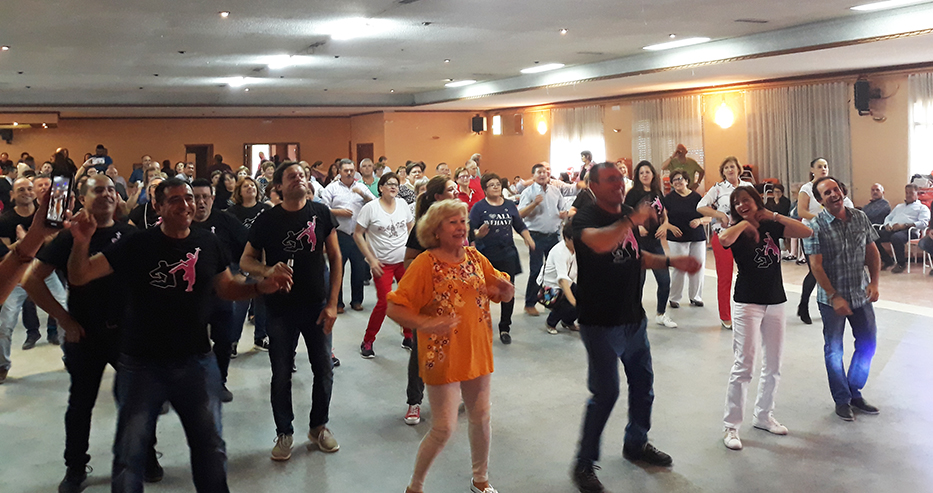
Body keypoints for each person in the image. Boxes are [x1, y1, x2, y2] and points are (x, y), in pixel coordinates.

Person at [67, 177, 290, 492]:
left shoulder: (208, 242)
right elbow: (80, 275)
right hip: (141, 363)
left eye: (189, 198)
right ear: (157, 206)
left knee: (210, 447)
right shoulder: (136, 243)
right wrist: (81, 242)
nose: (186, 205)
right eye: (175, 199)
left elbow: (226, 288)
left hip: (196, 360)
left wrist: (259, 287)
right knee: (129, 452)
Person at [23, 175, 163, 491]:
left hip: (127, 333)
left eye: (112, 189)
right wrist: (64, 320)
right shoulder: (69, 237)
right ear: (83, 199)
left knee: (137, 401)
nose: (107, 194)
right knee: (80, 404)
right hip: (85, 334)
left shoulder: (131, 235)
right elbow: (31, 280)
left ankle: (146, 455)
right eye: (98, 190)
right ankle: (75, 467)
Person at [570, 163, 701, 493]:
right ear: (593, 186)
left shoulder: (627, 214)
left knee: (643, 384)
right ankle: (584, 463)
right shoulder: (585, 218)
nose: (618, 184)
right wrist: (631, 220)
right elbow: (601, 243)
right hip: (601, 322)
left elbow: (635, 255)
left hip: (633, 319)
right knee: (606, 393)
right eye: (610, 180)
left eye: (620, 179)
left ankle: (636, 443)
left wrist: (671, 261)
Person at [386, 199, 513, 493]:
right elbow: (395, 307)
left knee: (481, 418)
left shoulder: (475, 258)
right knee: (444, 428)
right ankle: (415, 486)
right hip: (442, 355)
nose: (460, 227)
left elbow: (501, 291)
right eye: (452, 222)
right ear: (436, 230)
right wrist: (426, 323)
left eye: (463, 221)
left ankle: (480, 479)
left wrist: (506, 291)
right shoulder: (425, 263)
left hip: (477, 350)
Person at [239, 162, 342, 460]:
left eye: (301, 174)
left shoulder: (321, 213)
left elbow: (335, 258)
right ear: (278, 187)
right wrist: (268, 270)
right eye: (291, 176)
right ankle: (284, 431)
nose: (299, 178)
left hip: (316, 305)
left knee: (323, 368)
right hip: (280, 308)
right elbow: (246, 260)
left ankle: (318, 427)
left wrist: (333, 303)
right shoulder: (267, 219)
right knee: (281, 372)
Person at [718, 186, 812, 451]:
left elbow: (807, 232)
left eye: (746, 200)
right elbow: (724, 240)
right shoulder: (734, 229)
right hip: (747, 302)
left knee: (773, 364)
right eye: (737, 203)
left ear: (756, 201)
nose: (741, 205)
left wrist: (774, 215)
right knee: (744, 365)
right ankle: (731, 426)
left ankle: (763, 415)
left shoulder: (771, 225)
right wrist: (745, 222)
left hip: (775, 301)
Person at [803, 176, 882, 422]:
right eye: (826, 193)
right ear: (820, 200)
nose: (833, 195)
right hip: (831, 301)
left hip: (860, 294)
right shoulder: (815, 226)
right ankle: (842, 399)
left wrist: (874, 282)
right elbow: (816, 266)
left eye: (835, 189)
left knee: (868, 343)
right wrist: (834, 296)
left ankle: (854, 390)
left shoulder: (860, 217)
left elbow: (872, 251)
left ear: (842, 191)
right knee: (834, 350)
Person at [400, 176, 459, 426]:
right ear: (438, 197)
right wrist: (433, 270)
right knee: (422, 351)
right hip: (428, 299)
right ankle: (414, 402)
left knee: (455, 347)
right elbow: (408, 261)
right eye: (450, 189)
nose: (456, 191)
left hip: (455, 297)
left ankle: (453, 396)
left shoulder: (458, 223)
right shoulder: (423, 226)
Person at [189, 178, 249, 402]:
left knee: (224, 340)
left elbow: (250, 244)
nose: (201, 202)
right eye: (195, 198)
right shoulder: (180, 222)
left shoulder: (225, 220)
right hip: (189, 296)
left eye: (205, 197)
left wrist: (243, 273)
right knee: (190, 343)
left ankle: (219, 381)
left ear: (212, 199)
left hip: (221, 291)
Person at [0, 177, 67, 353]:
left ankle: (70, 358)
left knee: (64, 311)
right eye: (21, 190)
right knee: (5, 324)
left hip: (43, 270)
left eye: (29, 189)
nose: (26, 193)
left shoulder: (43, 215)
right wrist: (26, 241)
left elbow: (55, 239)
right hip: (16, 275)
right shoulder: (5, 220)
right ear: (12, 195)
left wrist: (31, 237)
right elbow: (5, 252)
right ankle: (2, 364)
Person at [353, 172, 414, 358]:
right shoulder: (371, 208)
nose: (393, 187)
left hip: (403, 262)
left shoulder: (402, 205)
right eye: (389, 184)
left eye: (396, 184)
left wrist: (413, 255)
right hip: (382, 264)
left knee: (408, 299)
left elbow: (411, 227)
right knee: (384, 303)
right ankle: (368, 340)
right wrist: (371, 260)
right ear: (381, 188)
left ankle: (408, 336)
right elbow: (358, 234)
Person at [470, 173, 535, 343]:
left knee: (508, 291)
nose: (496, 187)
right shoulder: (479, 208)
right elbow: (471, 231)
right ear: (485, 189)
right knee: (482, 292)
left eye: (498, 184)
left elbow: (519, 224)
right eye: (491, 185)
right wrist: (478, 234)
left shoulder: (509, 205)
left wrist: (528, 238)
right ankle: (481, 325)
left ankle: (505, 327)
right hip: (486, 256)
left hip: (507, 254)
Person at [697, 156, 753, 330]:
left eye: (732, 166)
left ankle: (749, 312)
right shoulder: (718, 188)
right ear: (723, 172)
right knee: (725, 277)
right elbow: (700, 206)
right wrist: (719, 215)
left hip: (745, 236)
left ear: (738, 169)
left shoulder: (748, 187)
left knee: (749, 275)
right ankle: (725, 316)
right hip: (723, 236)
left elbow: (757, 208)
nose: (730, 170)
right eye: (726, 167)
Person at [796, 158, 854, 323]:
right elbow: (802, 211)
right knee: (815, 271)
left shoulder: (832, 187)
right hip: (810, 232)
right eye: (820, 166)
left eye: (826, 166)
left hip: (831, 233)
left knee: (830, 270)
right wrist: (823, 219)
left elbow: (846, 206)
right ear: (812, 170)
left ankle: (832, 305)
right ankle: (803, 305)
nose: (823, 169)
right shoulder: (806, 189)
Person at [625, 160, 678, 327]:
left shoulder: (657, 193)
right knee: (638, 282)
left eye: (647, 172)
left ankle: (661, 314)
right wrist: (637, 225)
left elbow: (664, 214)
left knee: (664, 280)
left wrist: (664, 225)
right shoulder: (633, 194)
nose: (645, 175)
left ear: (653, 174)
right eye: (641, 173)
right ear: (637, 176)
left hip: (655, 244)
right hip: (638, 244)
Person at [319, 159, 375, 312]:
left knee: (359, 269)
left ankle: (357, 301)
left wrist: (364, 195)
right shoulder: (332, 188)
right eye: (346, 170)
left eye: (351, 170)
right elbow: (322, 209)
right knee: (338, 269)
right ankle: (337, 303)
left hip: (357, 235)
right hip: (339, 234)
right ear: (339, 172)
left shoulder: (361, 187)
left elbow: (374, 204)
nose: (349, 173)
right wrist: (338, 212)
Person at [227, 176, 272, 350]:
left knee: (262, 302)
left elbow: (268, 238)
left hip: (260, 262)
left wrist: (264, 266)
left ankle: (260, 337)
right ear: (239, 191)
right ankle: (232, 341)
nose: (250, 188)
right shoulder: (231, 213)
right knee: (241, 304)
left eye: (252, 185)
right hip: (238, 262)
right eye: (245, 186)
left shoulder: (265, 210)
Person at [518, 163, 568, 316]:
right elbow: (520, 214)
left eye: (545, 172)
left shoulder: (555, 191)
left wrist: (564, 214)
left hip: (553, 235)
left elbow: (563, 208)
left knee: (553, 270)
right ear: (533, 176)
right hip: (536, 236)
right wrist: (534, 204)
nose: (542, 175)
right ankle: (530, 303)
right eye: (539, 172)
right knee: (537, 270)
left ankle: (550, 301)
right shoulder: (528, 192)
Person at [663, 169, 708, 309]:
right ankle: (674, 298)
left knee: (698, 267)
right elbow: (660, 218)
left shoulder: (697, 197)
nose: (677, 182)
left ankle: (696, 297)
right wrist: (670, 227)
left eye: (680, 179)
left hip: (697, 236)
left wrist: (699, 221)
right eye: (674, 180)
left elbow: (708, 216)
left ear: (687, 181)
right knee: (679, 268)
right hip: (676, 237)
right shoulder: (668, 199)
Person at [874, 183, 930, 273]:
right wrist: (888, 225)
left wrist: (905, 225)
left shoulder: (922, 208)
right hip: (893, 229)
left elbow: (923, 223)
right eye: (906, 193)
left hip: (910, 231)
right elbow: (888, 218)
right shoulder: (899, 206)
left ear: (917, 194)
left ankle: (901, 264)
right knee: (873, 235)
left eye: (911, 193)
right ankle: (887, 260)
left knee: (896, 237)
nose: (908, 195)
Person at [539, 221, 577, 334]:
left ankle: (568, 321)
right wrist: (574, 301)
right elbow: (562, 280)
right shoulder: (560, 252)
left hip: (569, 282)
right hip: (551, 287)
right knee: (568, 303)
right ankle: (551, 322)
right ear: (567, 238)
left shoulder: (579, 248)